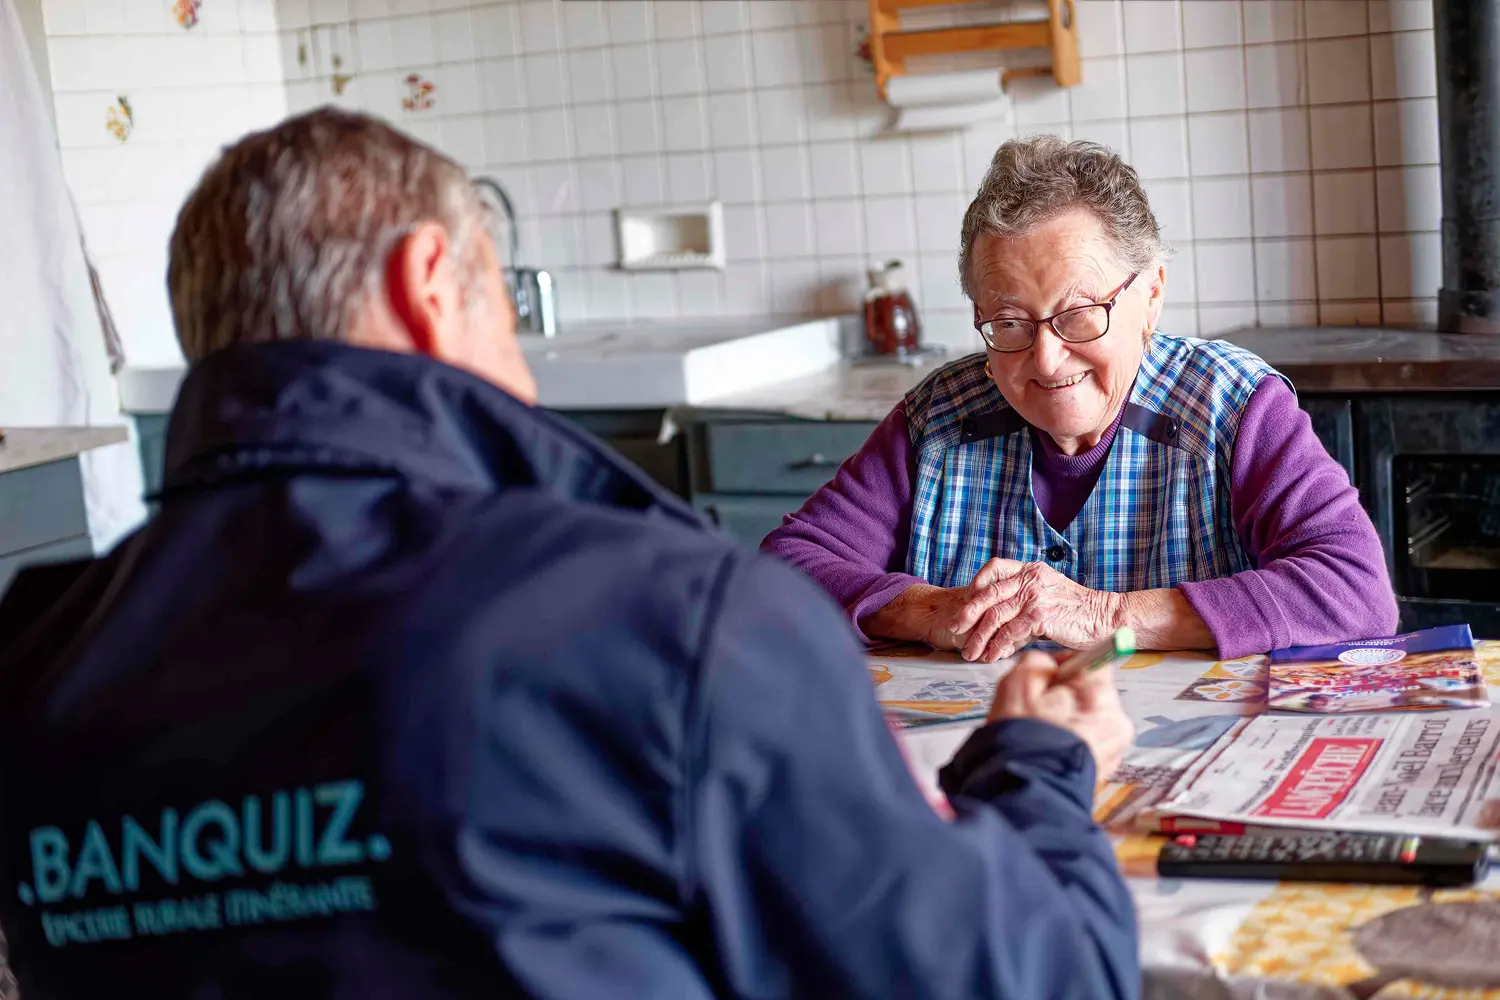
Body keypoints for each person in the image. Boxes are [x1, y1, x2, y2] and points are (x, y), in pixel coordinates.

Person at [0, 109, 1140, 999]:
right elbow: (1032, 977)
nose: (530, 377)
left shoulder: (35, 654)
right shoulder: (679, 621)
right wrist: (1036, 762)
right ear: (431, 282)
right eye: (502, 303)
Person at [763, 135, 1398, 663]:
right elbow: (785, 569)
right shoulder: (938, 418)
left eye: (1080, 313)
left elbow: (1353, 592)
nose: (1045, 358)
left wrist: (1110, 615)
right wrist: (930, 609)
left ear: (1150, 294)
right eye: (1009, 323)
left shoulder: (1231, 405)